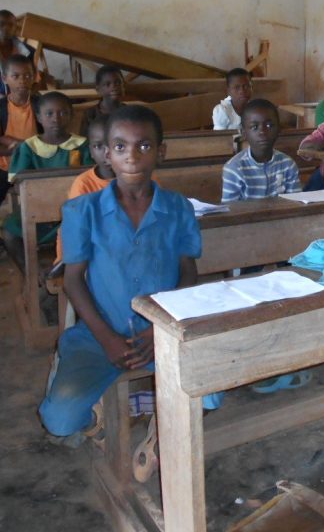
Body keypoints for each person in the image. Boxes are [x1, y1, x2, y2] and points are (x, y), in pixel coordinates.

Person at [39, 105, 221, 443]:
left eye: (145, 146)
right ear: (107, 154)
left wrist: (159, 330)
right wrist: (108, 339)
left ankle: (153, 426)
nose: (132, 156)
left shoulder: (178, 207)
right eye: (120, 146)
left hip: (163, 330)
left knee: (212, 393)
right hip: (99, 332)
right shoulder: (83, 211)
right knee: (60, 421)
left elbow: (187, 272)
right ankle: (101, 406)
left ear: (161, 152)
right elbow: (73, 281)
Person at [2, 92, 92, 270]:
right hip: (37, 213)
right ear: (39, 117)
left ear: (71, 116)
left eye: (63, 113)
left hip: (75, 214)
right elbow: (18, 183)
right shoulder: (29, 147)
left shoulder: (82, 145)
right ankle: (34, 277)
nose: (56, 119)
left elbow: (91, 180)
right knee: (9, 233)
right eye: (49, 113)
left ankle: (72, 275)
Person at [54, 115, 116, 263]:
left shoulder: (143, 179)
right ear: (91, 151)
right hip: (91, 255)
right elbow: (74, 231)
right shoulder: (83, 184)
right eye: (98, 146)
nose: (106, 153)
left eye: (116, 145)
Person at [221, 98, 301, 202]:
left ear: (279, 129)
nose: (262, 132)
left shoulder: (288, 165)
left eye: (269, 125)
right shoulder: (234, 169)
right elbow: (231, 213)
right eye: (254, 127)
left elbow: (295, 205)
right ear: (244, 132)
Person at [0, 54, 39, 204]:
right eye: (15, 76)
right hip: (5, 167)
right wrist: (20, 148)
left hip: (34, 165)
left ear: (34, 77)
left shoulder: (40, 105)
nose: (22, 80)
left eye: (27, 75)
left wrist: (19, 146)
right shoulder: (1, 108)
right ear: (4, 78)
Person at [80, 66, 125, 134]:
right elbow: (84, 140)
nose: (114, 87)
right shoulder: (90, 114)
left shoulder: (128, 112)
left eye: (118, 83)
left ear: (123, 86)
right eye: (107, 84)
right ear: (98, 90)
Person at [0, 10, 34, 97]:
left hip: (20, 97)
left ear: (16, 28)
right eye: (1, 24)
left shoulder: (27, 51)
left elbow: (32, 77)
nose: (6, 28)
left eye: (11, 25)